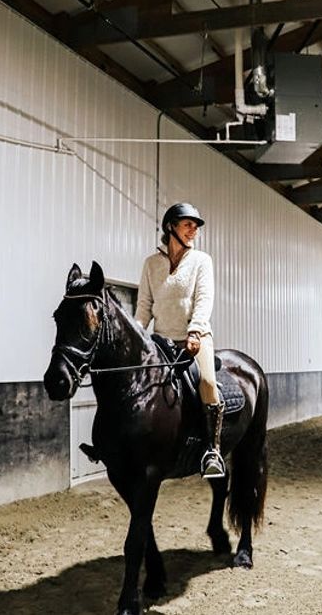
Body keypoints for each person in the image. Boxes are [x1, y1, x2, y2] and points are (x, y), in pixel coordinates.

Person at [135, 202, 226, 478]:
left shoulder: (201, 261)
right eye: (188, 224)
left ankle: (213, 449)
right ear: (170, 226)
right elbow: (144, 305)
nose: (193, 230)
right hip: (161, 341)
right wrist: (138, 335)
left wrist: (196, 331)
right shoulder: (151, 264)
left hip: (194, 339)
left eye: (196, 226)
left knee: (208, 382)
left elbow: (203, 299)